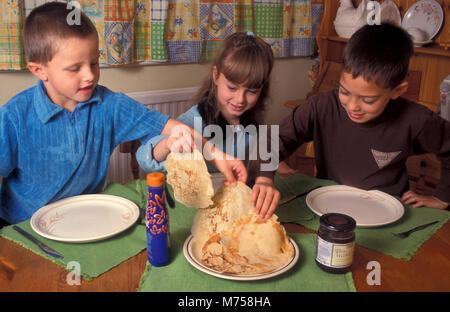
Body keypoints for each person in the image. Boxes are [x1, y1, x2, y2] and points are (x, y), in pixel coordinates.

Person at [0, 2, 246, 225]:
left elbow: (175, 128)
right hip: (20, 227)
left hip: (83, 221)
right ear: (39, 70)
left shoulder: (111, 106)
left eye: (94, 63)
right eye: (74, 68)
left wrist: (217, 155)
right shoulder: (13, 116)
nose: (89, 75)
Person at [249, 23, 450, 210]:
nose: (353, 106)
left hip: (388, 211)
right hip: (328, 205)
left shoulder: (416, 119)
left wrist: (442, 197)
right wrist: (265, 177)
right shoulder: (322, 106)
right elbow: (274, 139)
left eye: (368, 100)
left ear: (397, 90)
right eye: (344, 91)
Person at [137, 32, 294, 219]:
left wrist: (274, 162)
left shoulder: (255, 127)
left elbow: (266, 152)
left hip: (234, 211)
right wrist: (167, 144)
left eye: (251, 91)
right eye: (232, 88)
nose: (240, 99)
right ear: (216, 76)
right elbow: (146, 160)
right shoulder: (193, 122)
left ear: (262, 90)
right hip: (193, 213)